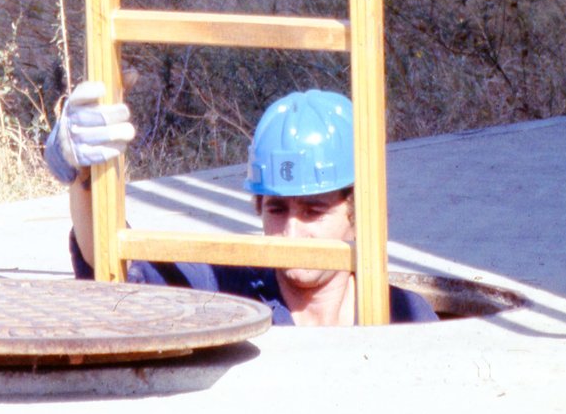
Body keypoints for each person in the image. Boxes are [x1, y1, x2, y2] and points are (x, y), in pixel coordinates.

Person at [44, 84, 436, 327]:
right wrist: (82, 177)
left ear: (359, 215)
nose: (292, 233)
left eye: (314, 211)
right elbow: (116, 265)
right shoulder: (231, 293)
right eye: (276, 210)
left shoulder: (404, 315)